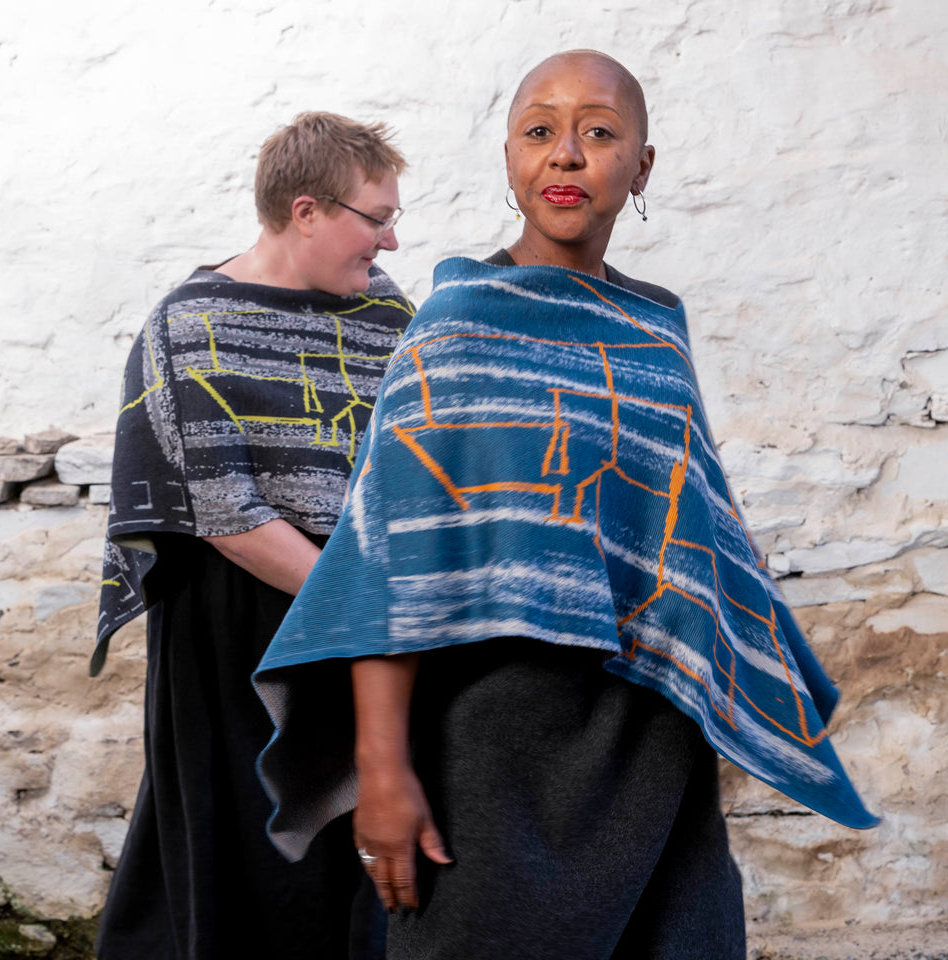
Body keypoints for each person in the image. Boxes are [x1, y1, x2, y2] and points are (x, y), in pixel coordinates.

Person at [253, 53, 876, 960]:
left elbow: (694, 530)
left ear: (642, 167)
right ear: (510, 160)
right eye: (540, 130)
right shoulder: (455, 329)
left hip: (652, 727)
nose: (567, 154)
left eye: (599, 131)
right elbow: (391, 564)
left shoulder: (654, 329)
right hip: (492, 741)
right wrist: (382, 771)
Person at [93, 111, 413, 960]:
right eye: (376, 219)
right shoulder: (190, 326)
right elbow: (226, 514)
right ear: (307, 212)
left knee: (360, 861)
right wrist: (358, 603)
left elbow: (415, 459)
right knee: (247, 856)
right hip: (234, 630)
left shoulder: (386, 317)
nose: (389, 241)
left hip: (362, 615)